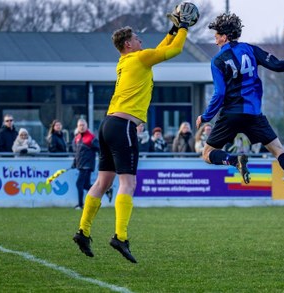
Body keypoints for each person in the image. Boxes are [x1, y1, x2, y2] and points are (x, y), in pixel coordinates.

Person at [72, 3, 194, 264]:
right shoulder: (139, 57)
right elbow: (173, 50)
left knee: (102, 182)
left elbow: (161, 49)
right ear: (128, 44)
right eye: (137, 38)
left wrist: (173, 28)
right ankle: (120, 236)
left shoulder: (124, 60)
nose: (141, 41)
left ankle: (83, 231)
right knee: (128, 183)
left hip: (107, 125)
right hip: (123, 127)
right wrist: (183, 28)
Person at [195, 12, 284, 204]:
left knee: (207, 154)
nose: (215, 41)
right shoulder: (251, 50)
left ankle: (233, 160)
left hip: (231, 114)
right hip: (254, 114)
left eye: (216, 36)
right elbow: (278, 65)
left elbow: (220, 93)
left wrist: (206, 116)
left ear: (224, 36)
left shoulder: (218, 61)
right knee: (278, 149)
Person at [72, 118, 113, 209]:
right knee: (86, 185)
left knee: (79, 184)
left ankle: (80, 205)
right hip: (80, 165)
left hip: (87, 165)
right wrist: (74, 162)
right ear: (77, 127)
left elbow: (100, 150)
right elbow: (77, 152)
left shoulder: (91, 138)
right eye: (80, 125)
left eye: (83, 125)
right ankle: (107, 191)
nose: (82, 127)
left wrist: (102, 161)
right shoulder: (77, 138)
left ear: (87, 126)